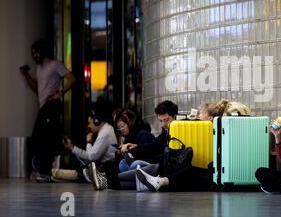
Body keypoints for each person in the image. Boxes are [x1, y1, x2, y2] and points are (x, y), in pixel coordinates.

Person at [20, 39, 76, 183]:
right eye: (33, 53)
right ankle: (45, 172)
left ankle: (47, 173)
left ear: (43, 51)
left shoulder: (55, 65)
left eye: (37, 52)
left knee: (45, 140)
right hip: (43, 107)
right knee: (40, 140)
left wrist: (60, 92)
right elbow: (37, 88)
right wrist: (27, 76)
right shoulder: (38, 69)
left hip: (52, 106)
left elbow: (71, 78)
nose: (35, 55)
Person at [89, 100, 178, 190]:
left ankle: (106, 180)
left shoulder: (177, 132)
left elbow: (158, 151)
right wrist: (135, 147)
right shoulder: (164, 133)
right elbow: (154, 146)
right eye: (161, 121)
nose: (163, 124)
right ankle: (106, 182)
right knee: (123, 164)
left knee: (136, 164)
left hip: (161, 167)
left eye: (166, 120)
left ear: (174, 116)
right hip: (156, 166)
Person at [51, 103, 117, 183]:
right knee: (79, 171)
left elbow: (92, 156)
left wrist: (88, 142)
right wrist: (71, 147)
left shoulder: (105, 132)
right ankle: (54, 174)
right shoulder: (104, 130)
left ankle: (53, 173)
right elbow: (89, 155)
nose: (89, 126)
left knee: (79, 172)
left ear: (97, 121)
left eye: (89, 122)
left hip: (105, 167)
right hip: (101, 166)